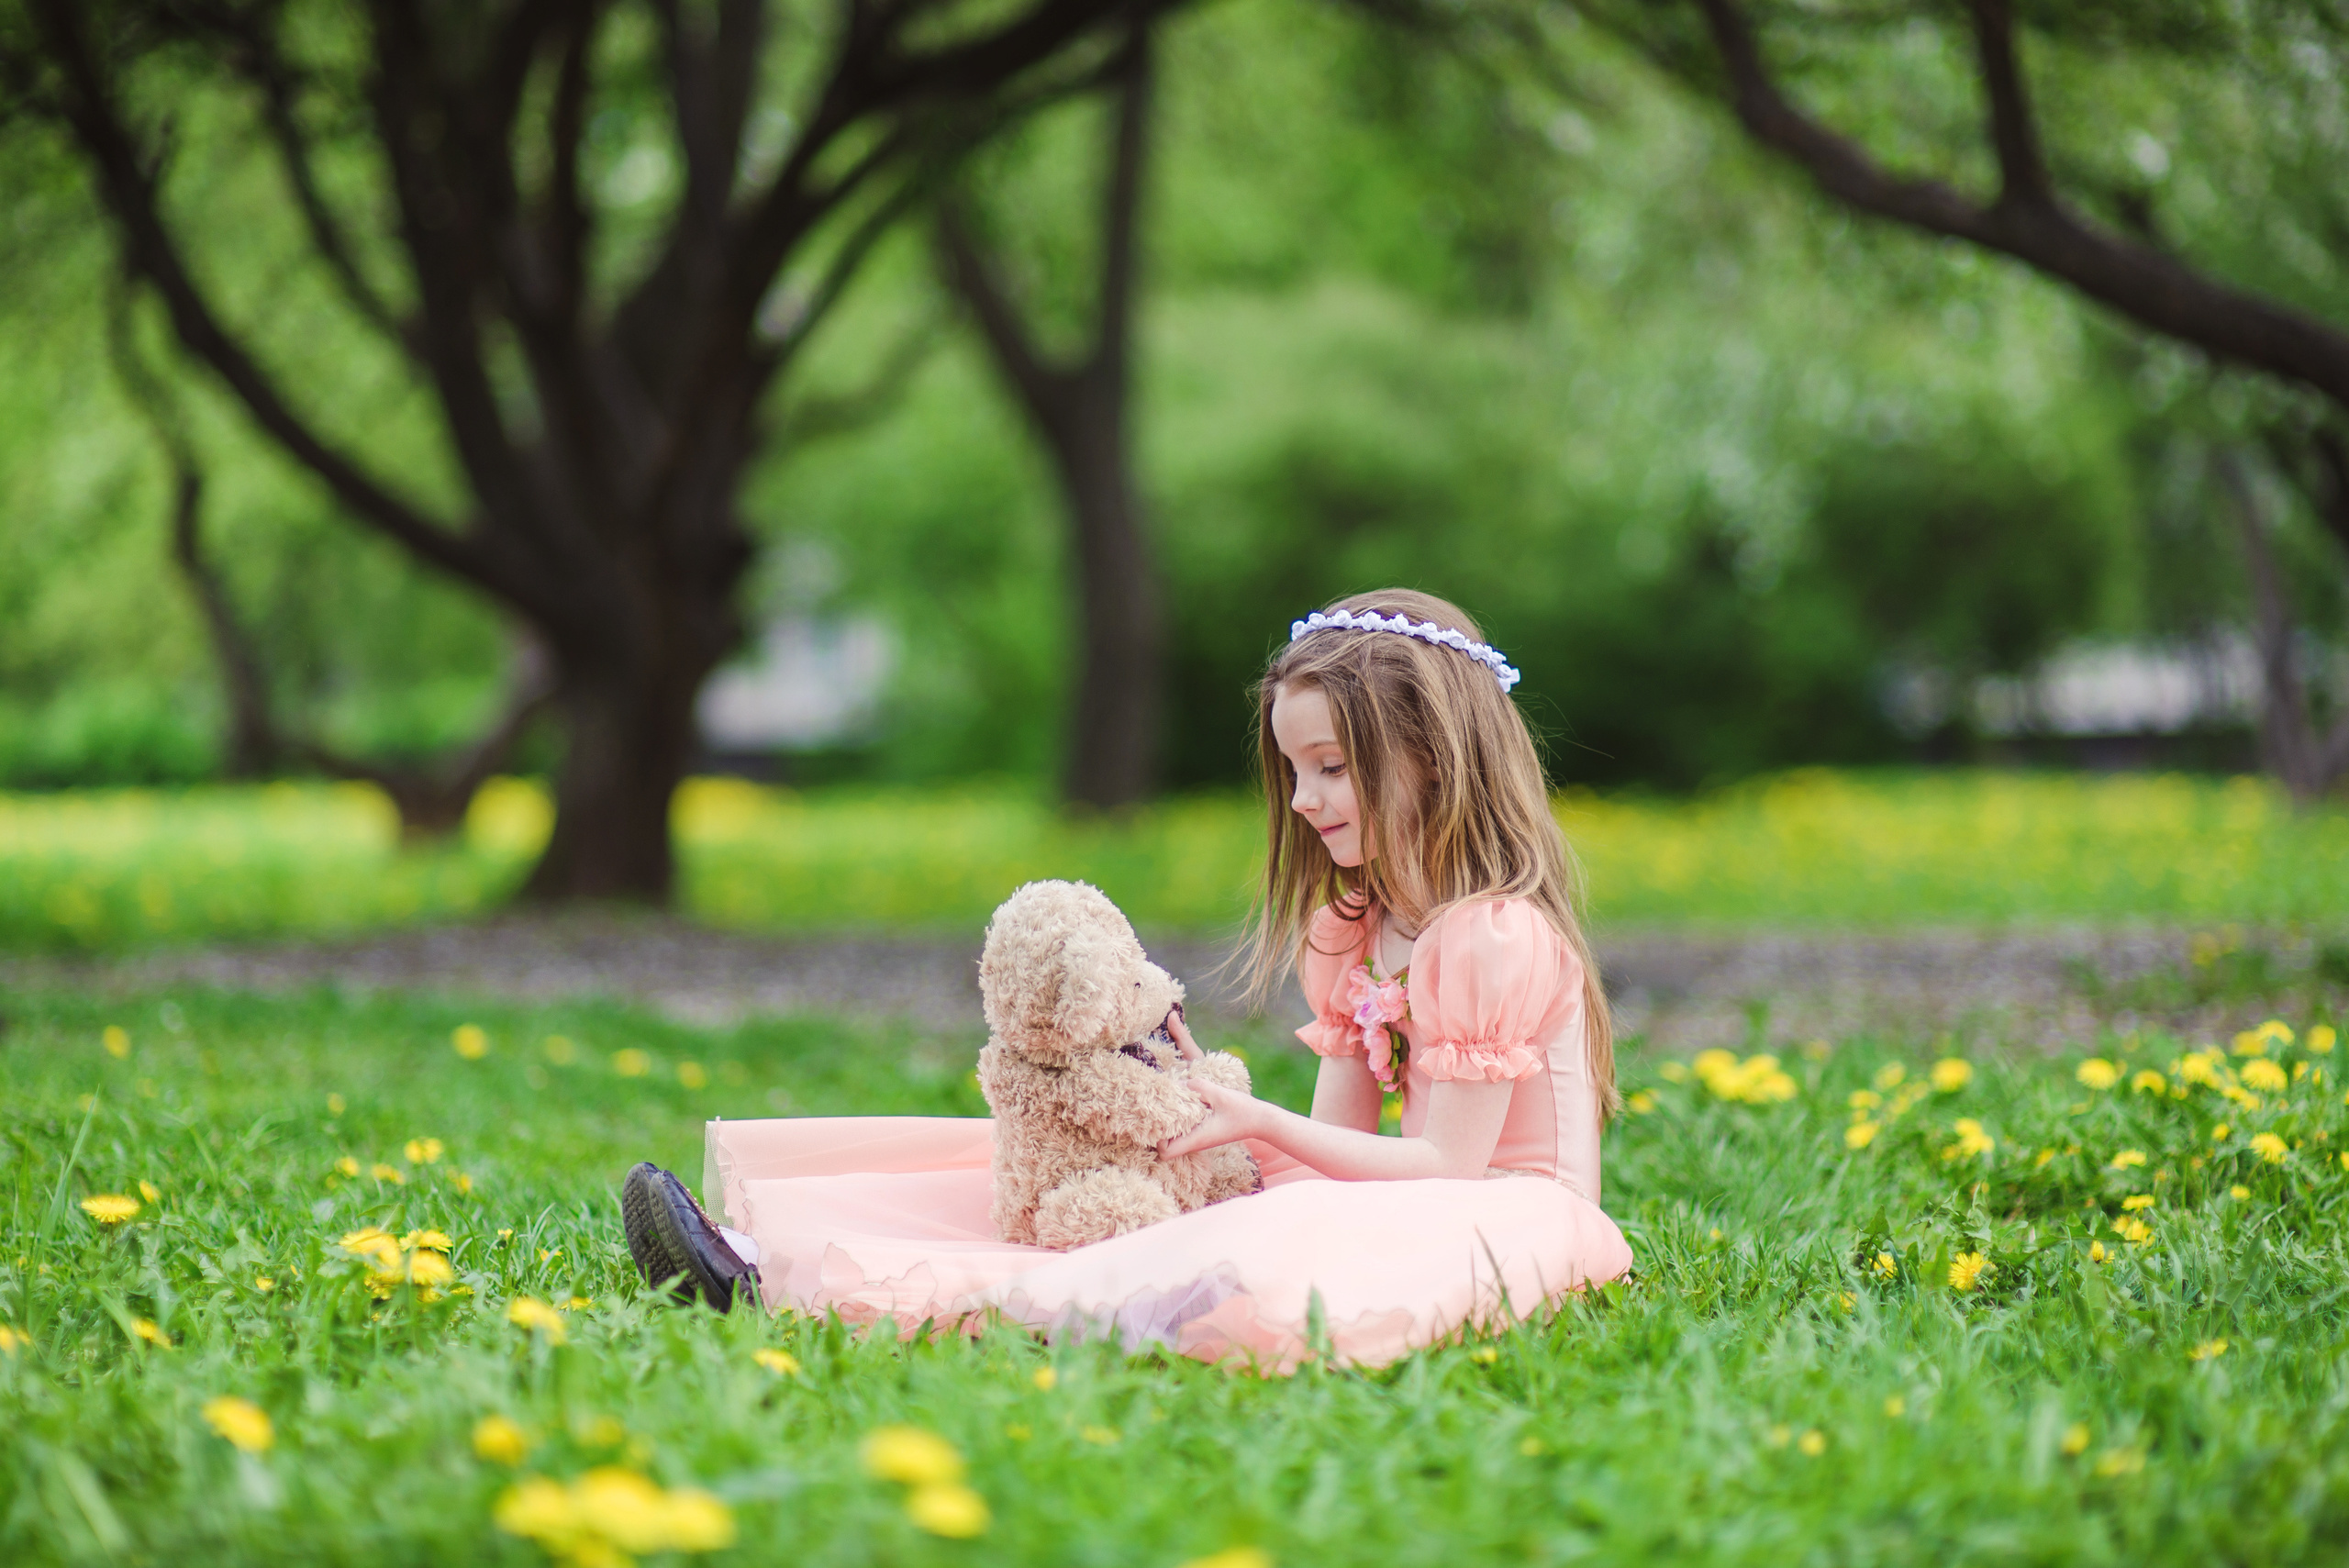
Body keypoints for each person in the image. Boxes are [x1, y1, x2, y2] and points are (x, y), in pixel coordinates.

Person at [622, 589, 1633, 1370]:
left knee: (1253, 1233)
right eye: (1292, 768)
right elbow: (1342, 1152)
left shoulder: (1493, 936)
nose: (1302, 796)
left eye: (1329, 765)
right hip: (1400, 1200)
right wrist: (1212, 1112)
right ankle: (766, 1248)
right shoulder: (1359, 927)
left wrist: (1262, 1131)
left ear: (1430, 756)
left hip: (1507, 1225)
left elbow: (1447, 1170)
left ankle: (832, 1287)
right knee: (1110, 1159)